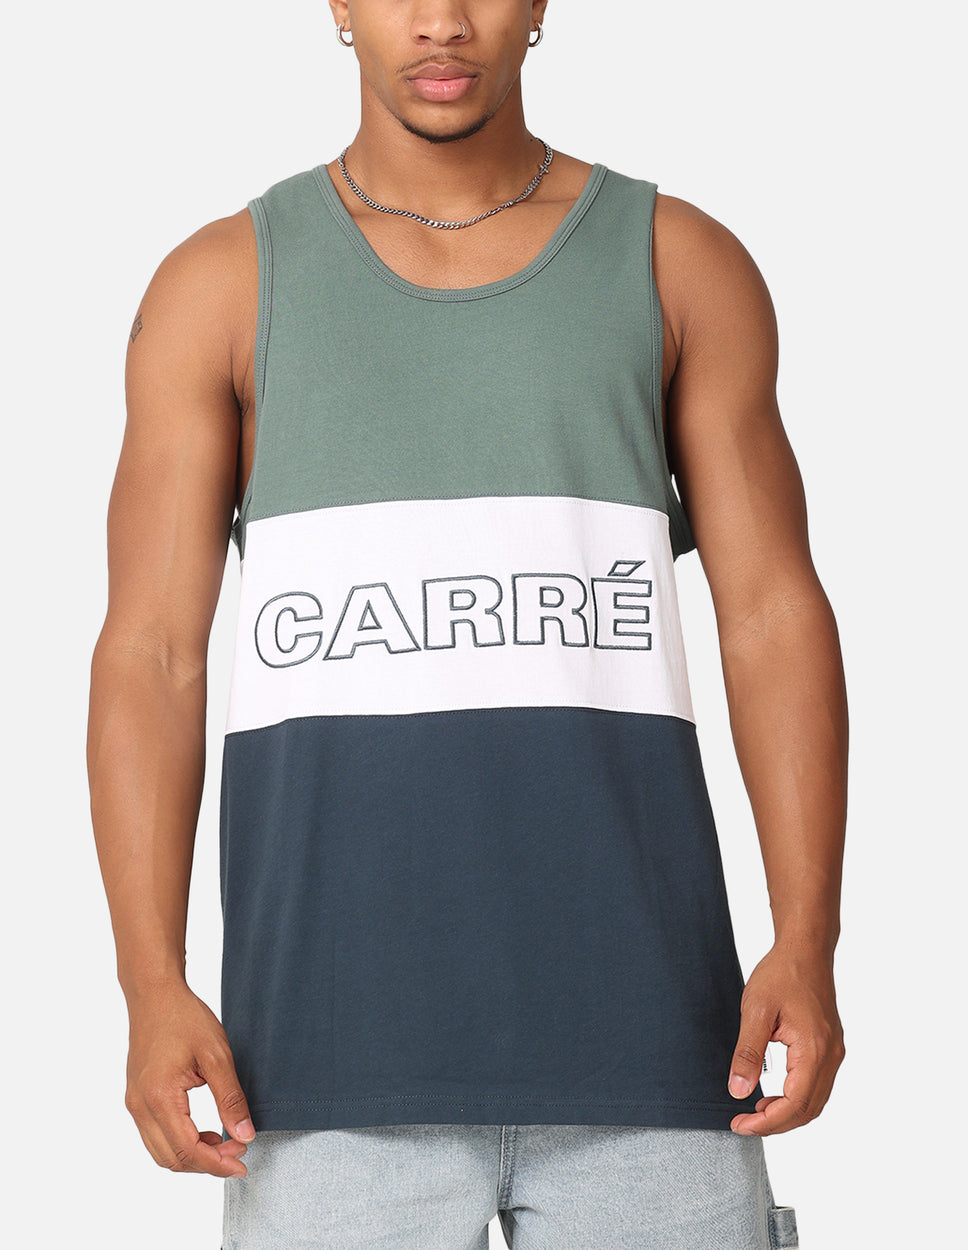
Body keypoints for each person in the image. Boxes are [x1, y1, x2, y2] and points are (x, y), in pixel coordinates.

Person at [86, 1, 847, 1246]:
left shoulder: (676, 262)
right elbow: (152, 655)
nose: (441, 22)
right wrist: (149, 982)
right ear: (339, 5)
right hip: (320, 1061)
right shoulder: (221, 283)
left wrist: (806, 937)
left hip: (660, 1047)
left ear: (539, 4)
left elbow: (770, 612)